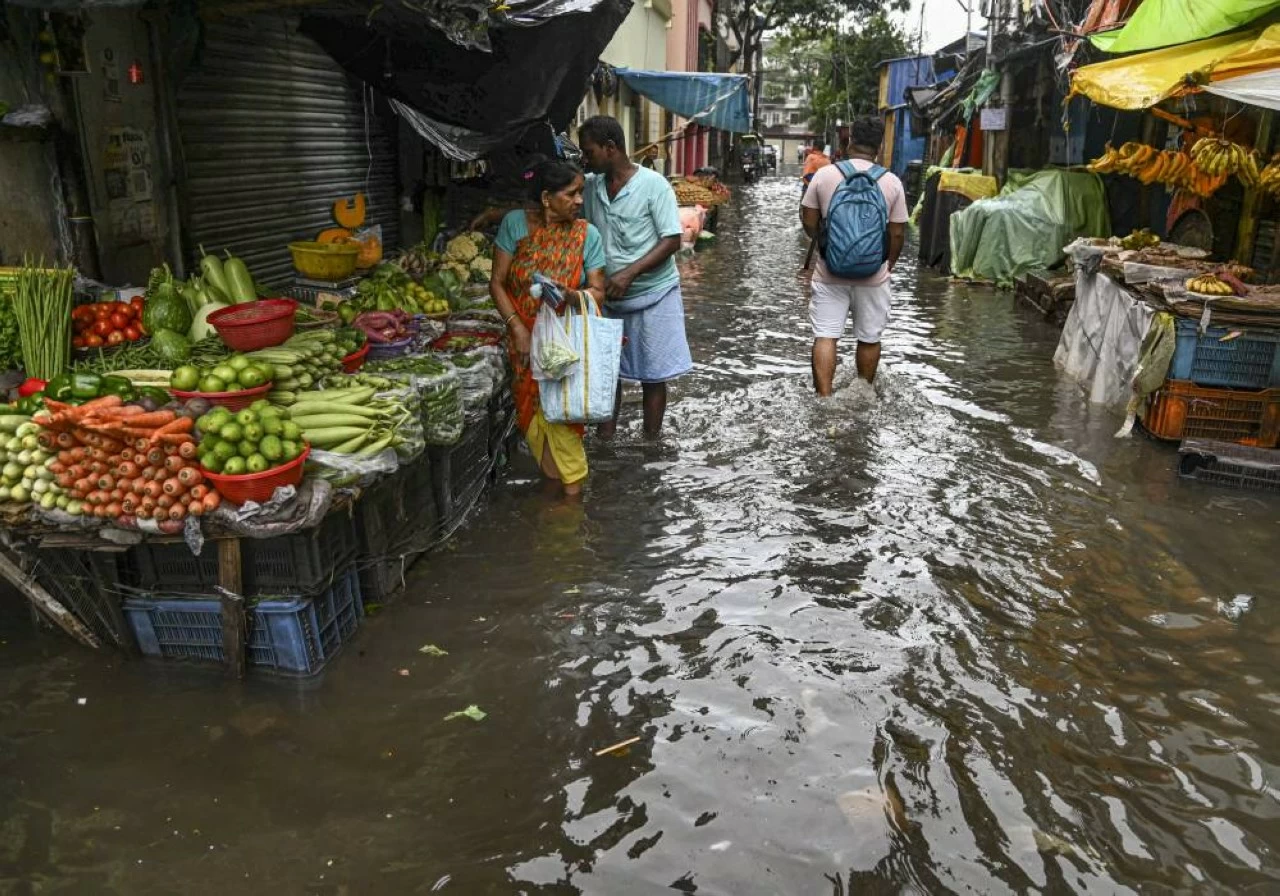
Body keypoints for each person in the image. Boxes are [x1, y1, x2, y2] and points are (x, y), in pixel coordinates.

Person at [489, 158, 607, 496]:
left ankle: (569, 514)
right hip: (523, 346)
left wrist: (571, 295)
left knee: (564, 420)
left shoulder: (588, 235)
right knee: (532, 420)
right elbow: (496, 283)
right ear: (545, 197)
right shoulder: (515, 225)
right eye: (571, 194)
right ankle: (555, 503)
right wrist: (518, 330)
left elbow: (598, 292)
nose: (579, 201)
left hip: (563, 348)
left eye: (581, 193)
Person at [577, 115, 692, 438]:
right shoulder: (590, 186)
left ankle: (651, 443)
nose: (586, 159)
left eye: (590, 152)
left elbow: (672, 239)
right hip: (609, 297)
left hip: (654, 292)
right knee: (607, 372)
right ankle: (605, 442)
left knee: (653, 375)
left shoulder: (654, 186)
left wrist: (628, 273)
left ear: (610, 148)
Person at [799, 115, 907, 396]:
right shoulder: (892, 182)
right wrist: (887, 264)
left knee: (825, 335)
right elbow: (897, 234)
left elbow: (808, 219)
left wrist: (828, 245)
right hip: (874, 274)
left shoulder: (824, 175)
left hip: (829, 272)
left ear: (849, 142)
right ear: (879, 146)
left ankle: (824, 397)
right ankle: (863, 393)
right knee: (869, 338)